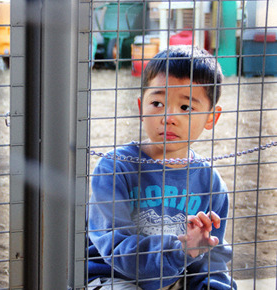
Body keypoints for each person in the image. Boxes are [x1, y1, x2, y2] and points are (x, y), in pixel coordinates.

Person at [87, 46, 237, 290]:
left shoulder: (210, 181)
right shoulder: (115, 168)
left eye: (186, 107)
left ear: (211, 118)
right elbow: (114, 245)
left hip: (179, 279)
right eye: (157, 103)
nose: (168, 116)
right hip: (113, 277)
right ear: (140, 108)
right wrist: (180, 251)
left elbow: (211, 254)